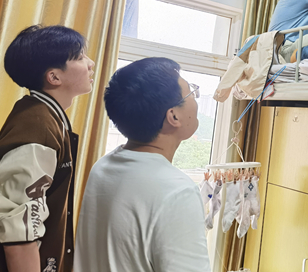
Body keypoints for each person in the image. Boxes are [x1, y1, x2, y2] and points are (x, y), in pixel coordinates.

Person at [0, 25, 95, 272]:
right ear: (54, 77)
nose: (91, 63)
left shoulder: (41, 116)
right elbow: (19, 236)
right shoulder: (39, 127)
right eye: (80, 57)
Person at [74, 57, 211, 272]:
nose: (195, 100)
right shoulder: (177, 191)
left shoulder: (102, 168)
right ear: (173, 116)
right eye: (191, 93)